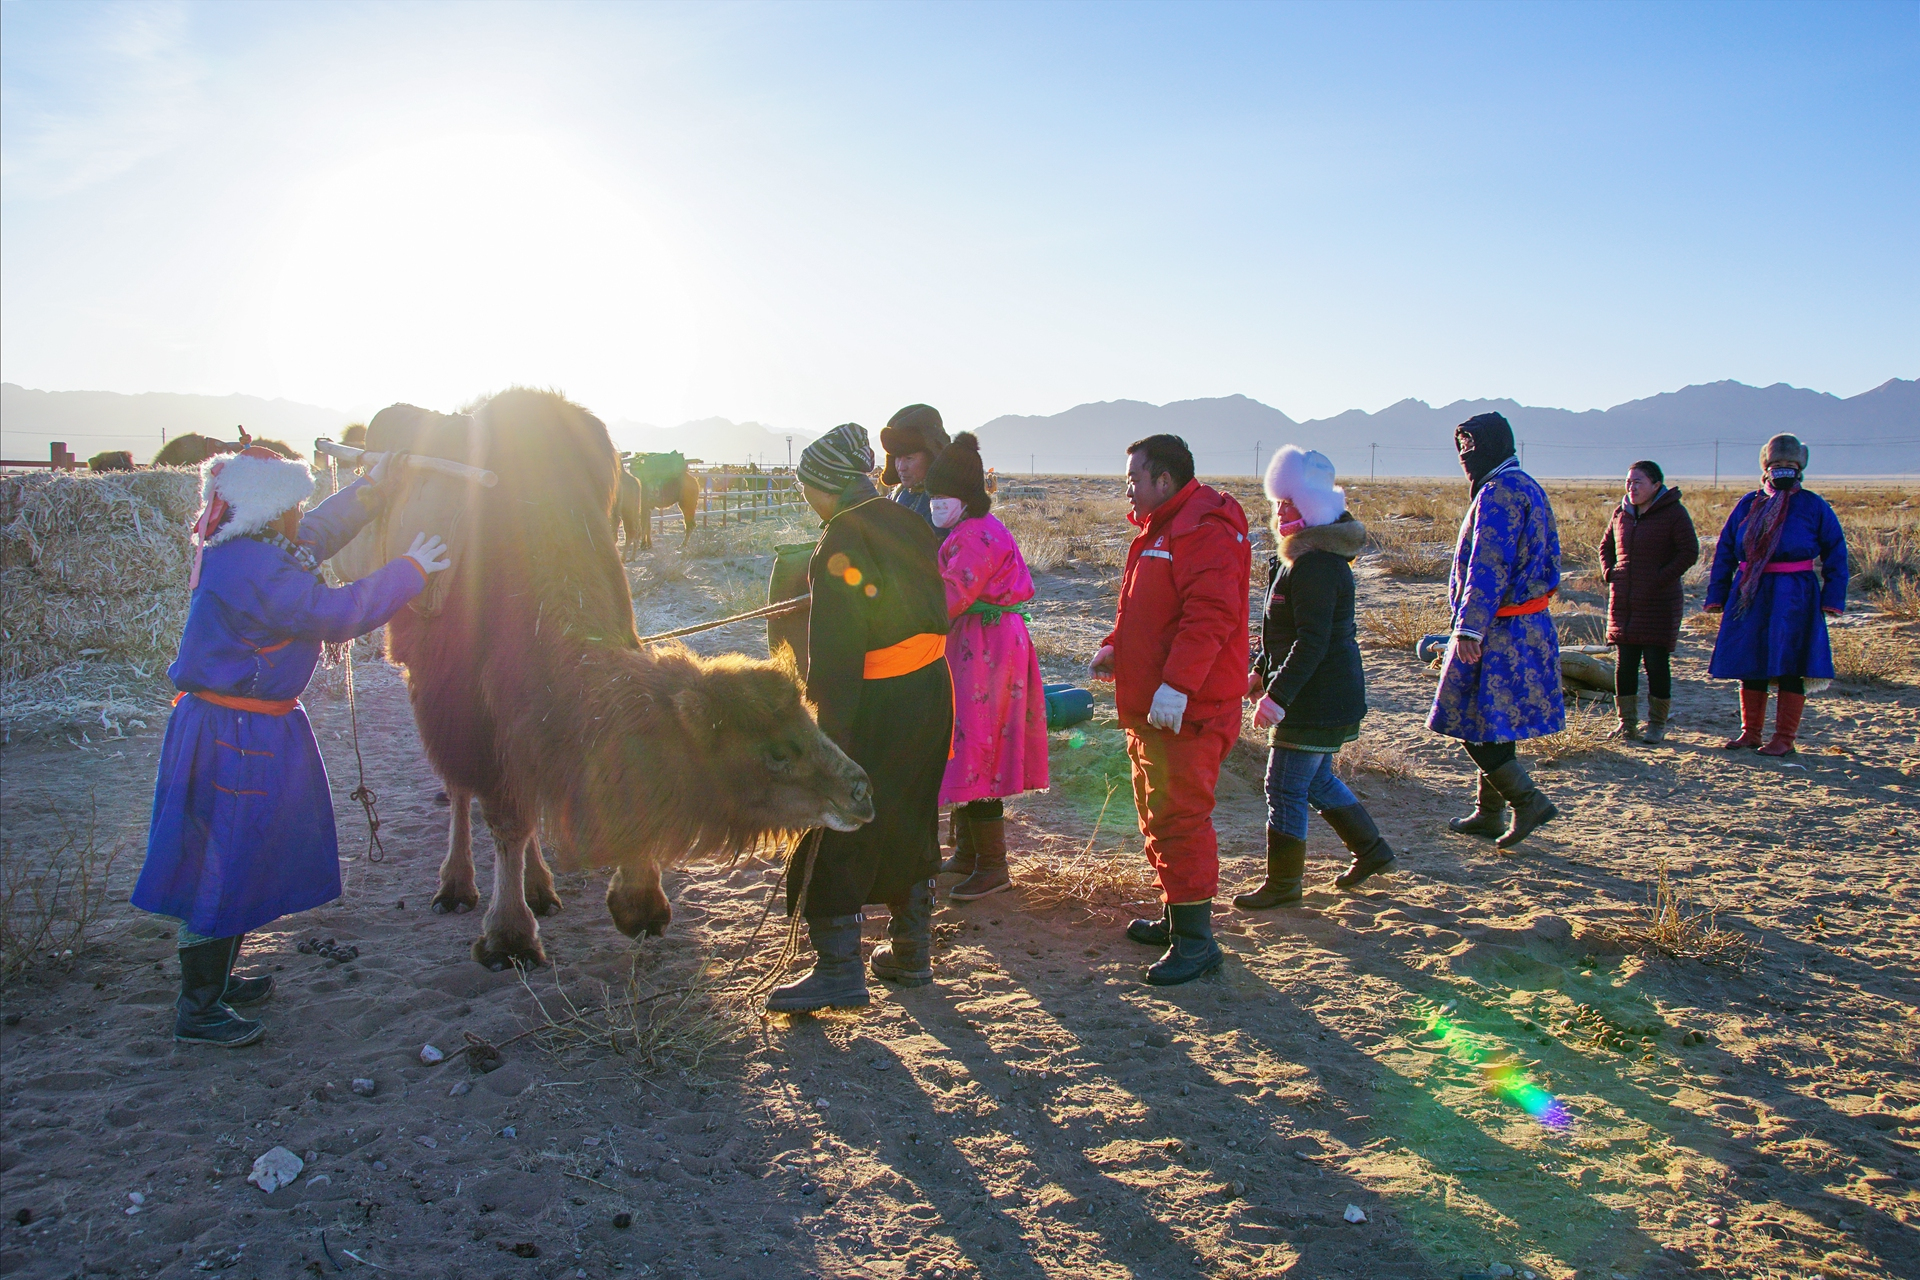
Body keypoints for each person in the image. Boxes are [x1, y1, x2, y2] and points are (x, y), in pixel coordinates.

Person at [132, 447, 449, 1047]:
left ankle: (217, 981)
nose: (299, 513)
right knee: (219, 864)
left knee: (239, 852)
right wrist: (409, 570)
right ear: (269, 509)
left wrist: (370, 490)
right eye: (292, 504)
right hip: (235, 735)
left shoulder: (245, 547)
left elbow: (316, 535)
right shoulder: (255, 570)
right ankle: (198, 1008)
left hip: (240, 726)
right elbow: (332, 612)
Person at [767, 424, 954, 1013]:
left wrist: (828, 732)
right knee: (911, 812)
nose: (805, 497)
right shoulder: (906, 519)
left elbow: (839, 654)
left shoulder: (842, 535)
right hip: (930, 693)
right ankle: (911, 955)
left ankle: (839, 970)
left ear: (825, 485)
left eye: (806, 486)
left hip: (879, 703)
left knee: (840, 819)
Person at [1089, 434, 1251, 985]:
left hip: (1190, 710)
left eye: (1134, 479)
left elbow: (1211, 615)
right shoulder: (1163, 529)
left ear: (1164, 480)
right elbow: (1145, 608)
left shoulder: (1204, 530)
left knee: (1180, 816)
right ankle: (1176, 914)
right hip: (1155, 706)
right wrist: (1118, 645)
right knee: (1156, 811)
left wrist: (1177, 686)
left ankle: (1197, 942)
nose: (1127, 490)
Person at [1235, 447, 1398, 908]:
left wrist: (1277, 696)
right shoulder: (1294, 561)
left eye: (1292, 502)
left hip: (1318, 697)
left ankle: (1284, 885)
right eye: (1279, 502)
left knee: (1284, 784)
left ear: (1314, 508)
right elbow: (1281, 635)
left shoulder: (1319, 566)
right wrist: (1261, 674)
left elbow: (1313, 643)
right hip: (1315, 693)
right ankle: (1372, 851)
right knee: (1317, 779)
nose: (1281, 510)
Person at [922, 433, 1048, 901]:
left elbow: (950, 596)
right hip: (983, 642)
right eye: (932, 496)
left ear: (967, 495)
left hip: (987, 648)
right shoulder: (968, 529)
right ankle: (973, 855)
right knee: (972, 741)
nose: (936, 504)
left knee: (978, 744)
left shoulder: (974, 536)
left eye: (943, 496)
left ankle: (994, 866)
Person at [1430, 413, 1565, 850]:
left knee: (1471, 720)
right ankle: (1489, 814)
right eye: (1461, 448)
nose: (1466, 457)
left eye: (1472, 447)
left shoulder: (1499, 492)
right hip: (1527, 623)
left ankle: (1527, 802)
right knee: (1492, 721)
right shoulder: (1525, 485)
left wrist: (1470, 628)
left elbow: (1488, 565)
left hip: (1501, 628)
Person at [1703, 434, 1847, 757]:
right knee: (1751, 661)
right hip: (1750, 593)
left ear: (1800, 467)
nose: (1783, 469)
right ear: (1765, 467)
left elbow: (1836, 551)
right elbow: (1726, 550)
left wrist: (1833, 597)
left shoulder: (1813, 506)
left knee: (1790, 663)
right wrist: (1718, 594)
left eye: (1790, 465)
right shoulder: (1747, 504)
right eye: (1776, 464)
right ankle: (1750, 732)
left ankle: (1784, 738)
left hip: (1795, 595)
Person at [1599, 460, 1699, 743]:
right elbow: (1605, 547)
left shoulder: (1674, 514)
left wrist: (1660, 577)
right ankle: (1626, 723)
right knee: (1625, 664)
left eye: (1638, 482)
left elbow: (1689, 551)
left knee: (1656, 663)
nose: (1631, 487)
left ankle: (1656, 724)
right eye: (1628, 482)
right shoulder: (1621, 513)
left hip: (1659, 601)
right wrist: (1609, 572)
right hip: (1624, 602)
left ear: (1656, 485)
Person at [880, 403, 952, 536]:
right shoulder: (899, 494)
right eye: (897, 458)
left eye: (909, 458)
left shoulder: (946, 506)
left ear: (932, 457)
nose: (901, 467)